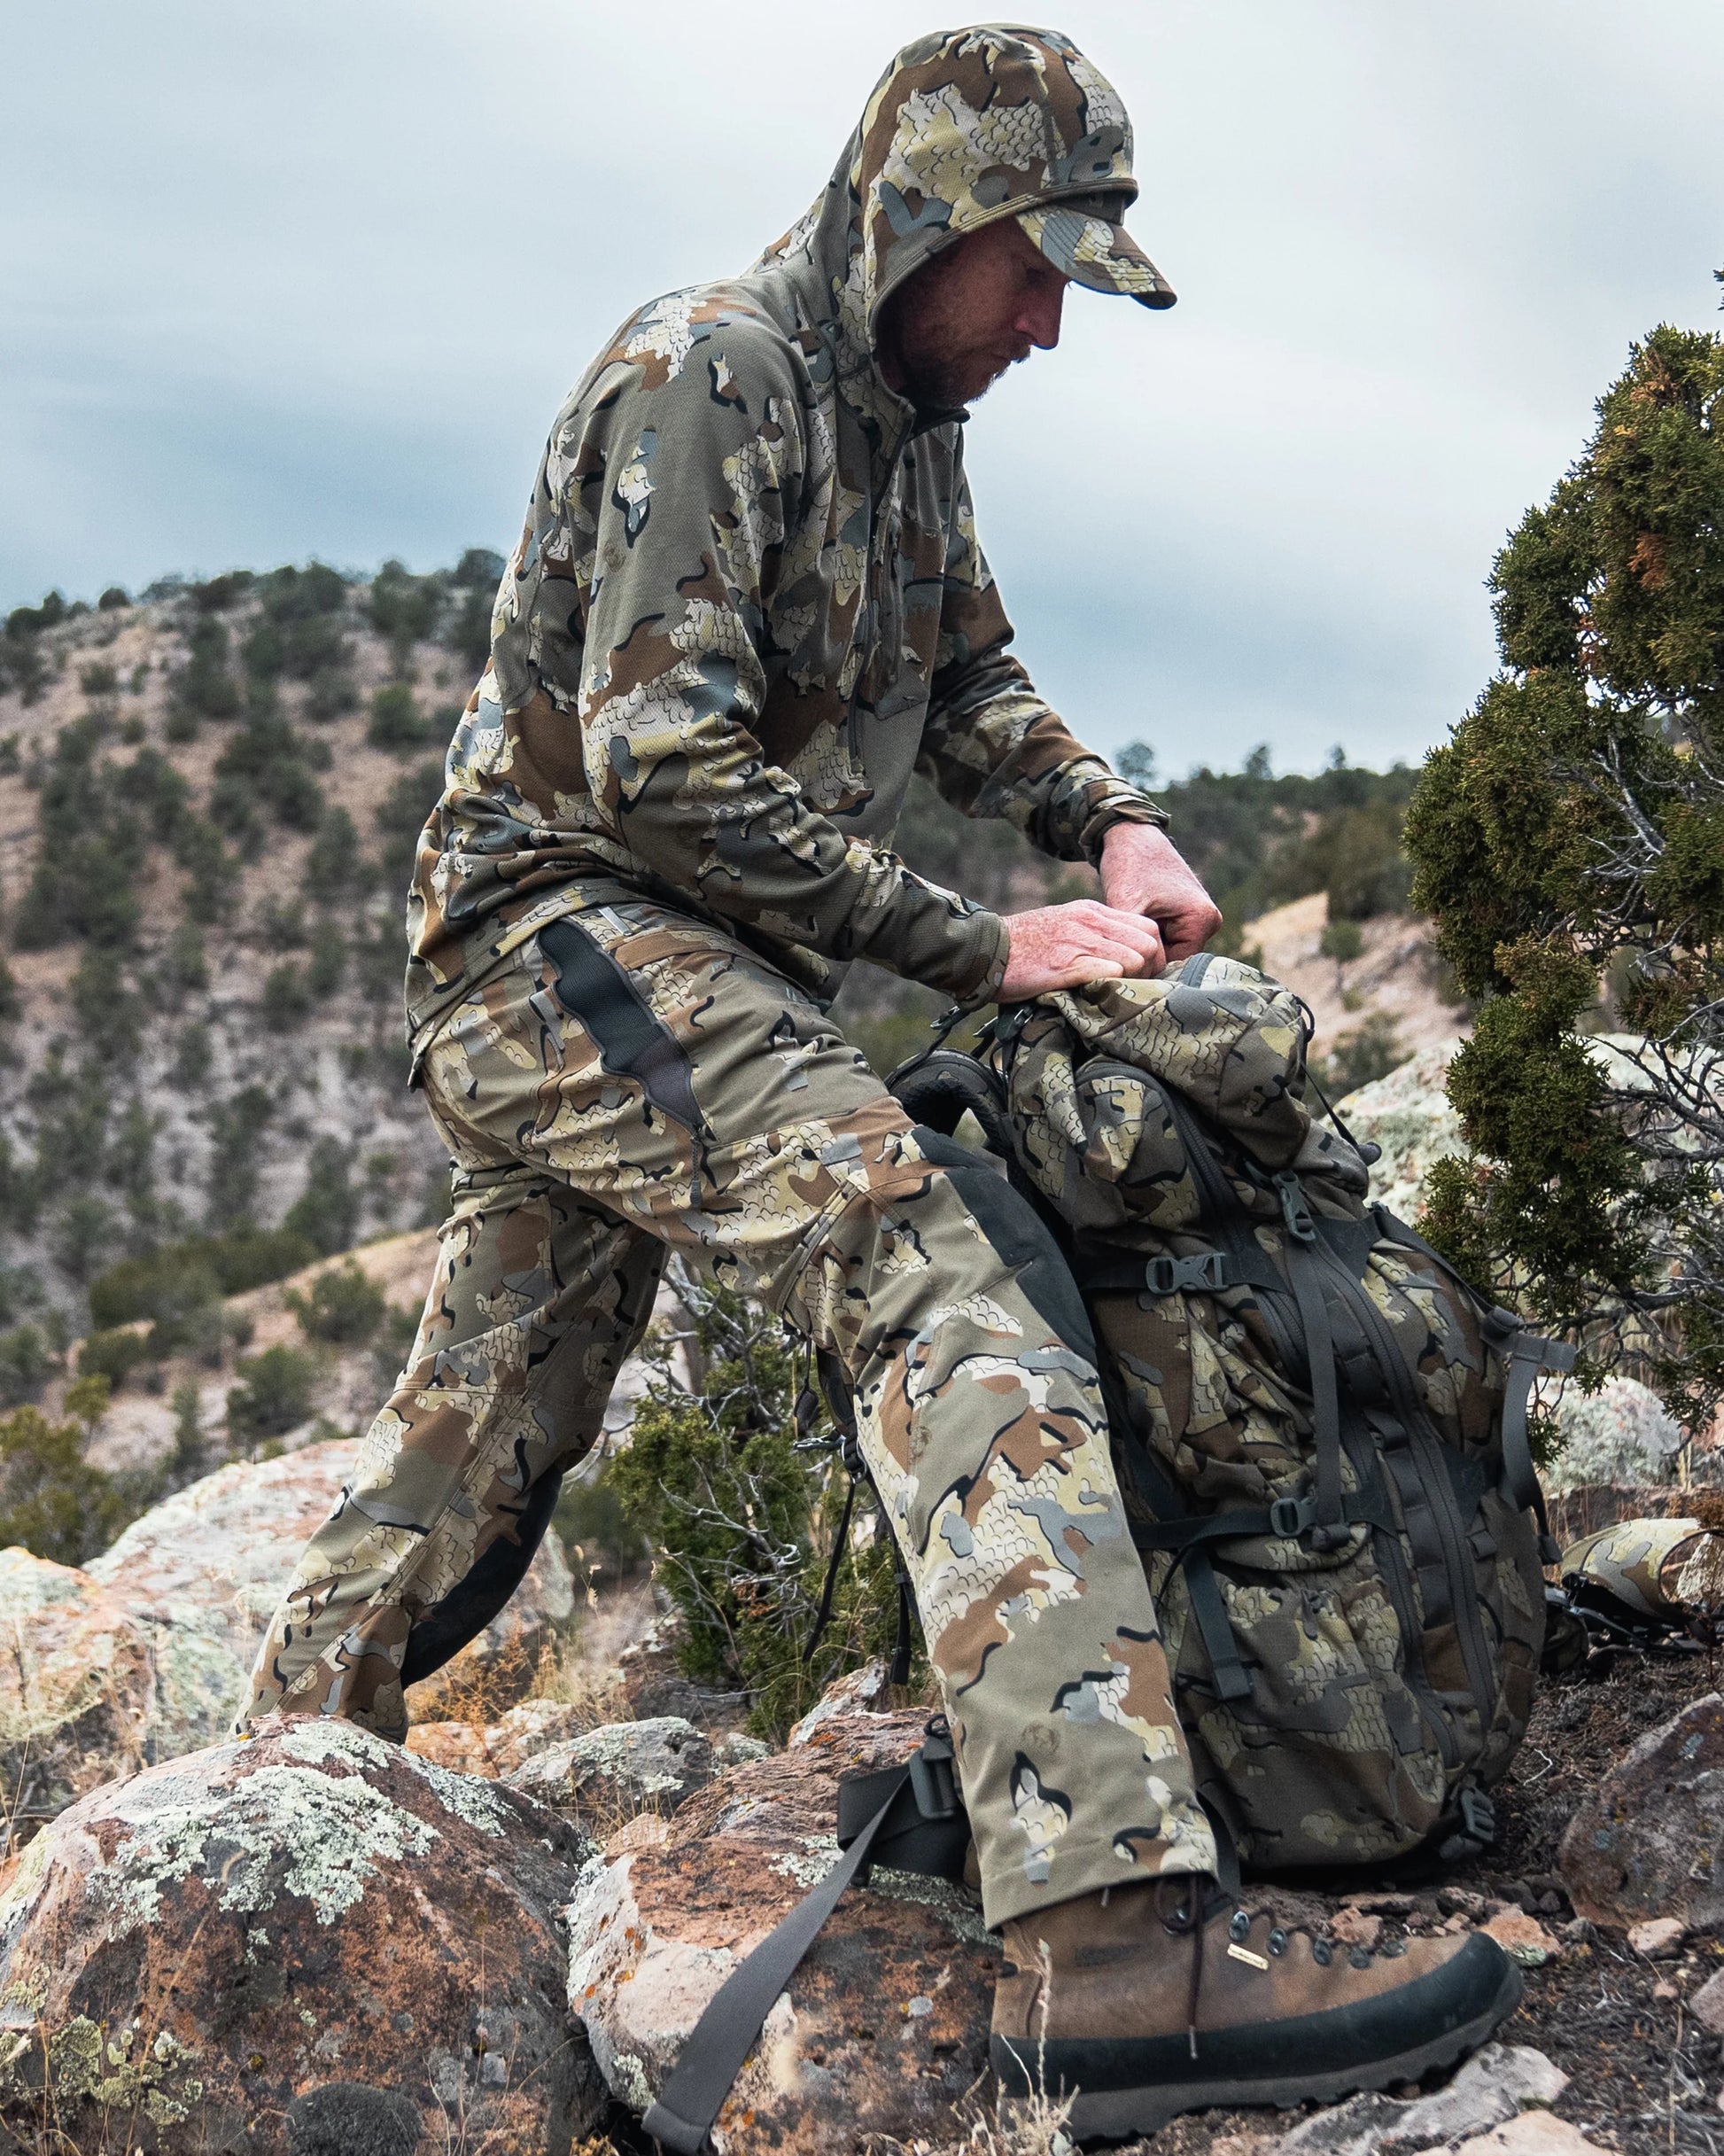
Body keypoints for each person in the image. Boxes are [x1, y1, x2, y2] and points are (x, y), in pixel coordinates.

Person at [243, 26, 1518, 2132]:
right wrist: (980, 939)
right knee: (937, 1279)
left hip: (685, 968)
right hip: (561, 939)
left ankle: (260, 1786)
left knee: (495, 1412)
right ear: (922, 216)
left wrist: (1108, 819)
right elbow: (658, 767)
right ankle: (1114, 1936)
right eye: (1033, 273)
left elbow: (972, 672)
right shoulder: (709, 371)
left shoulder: (909, 423)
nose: (1045, 327)